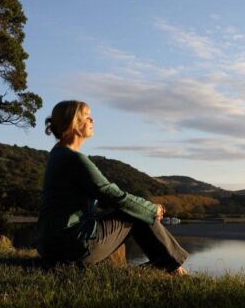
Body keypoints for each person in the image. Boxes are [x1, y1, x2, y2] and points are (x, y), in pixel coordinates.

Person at [36, 100, 188, 273]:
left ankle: (169, 264)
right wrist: (153, 209)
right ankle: (175, 269)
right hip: (71, 249)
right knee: (135, 211)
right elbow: (113, 195)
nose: (92, 120)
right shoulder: (74, 159)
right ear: (74, 124)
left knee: (134, 208)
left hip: (51, 247)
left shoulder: (57, 155)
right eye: (87, 116)